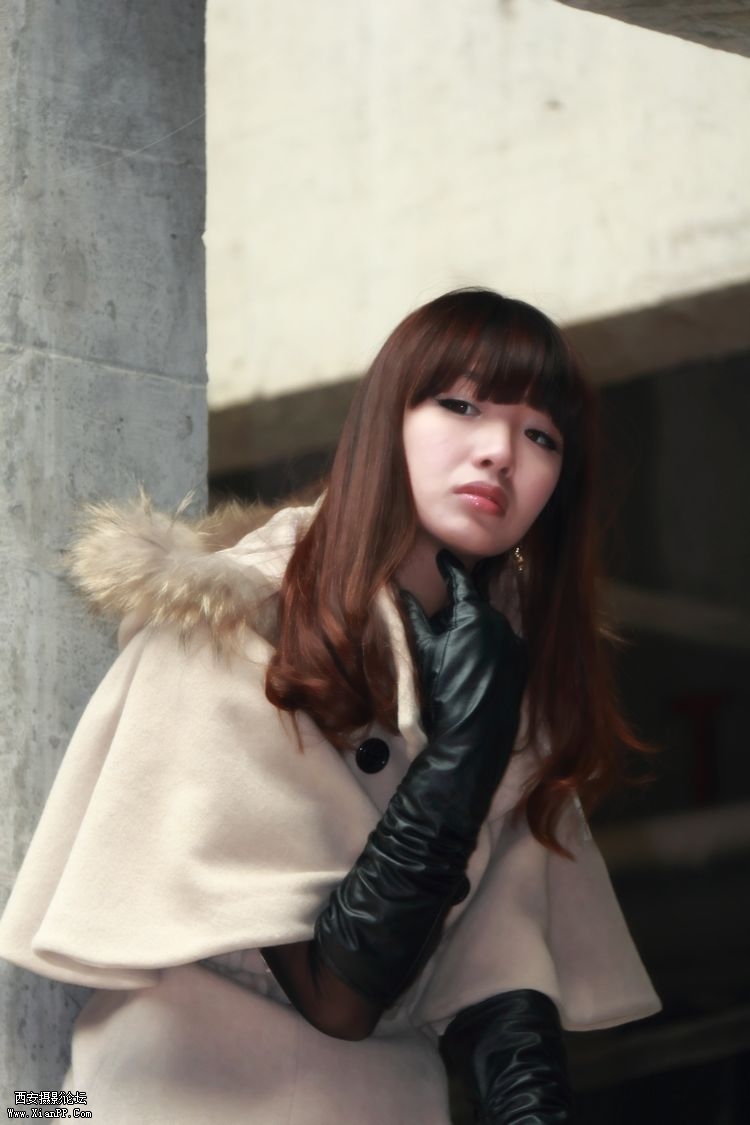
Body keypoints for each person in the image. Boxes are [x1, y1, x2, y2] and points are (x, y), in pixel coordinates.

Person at [0, 288, 660, 1123]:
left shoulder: (506, 677)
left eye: (541, 436)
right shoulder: (234, 620)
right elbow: (337, 995)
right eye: (460, 405)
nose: (499, 451)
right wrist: (462, 753)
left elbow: (502, 982)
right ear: (388, 421)